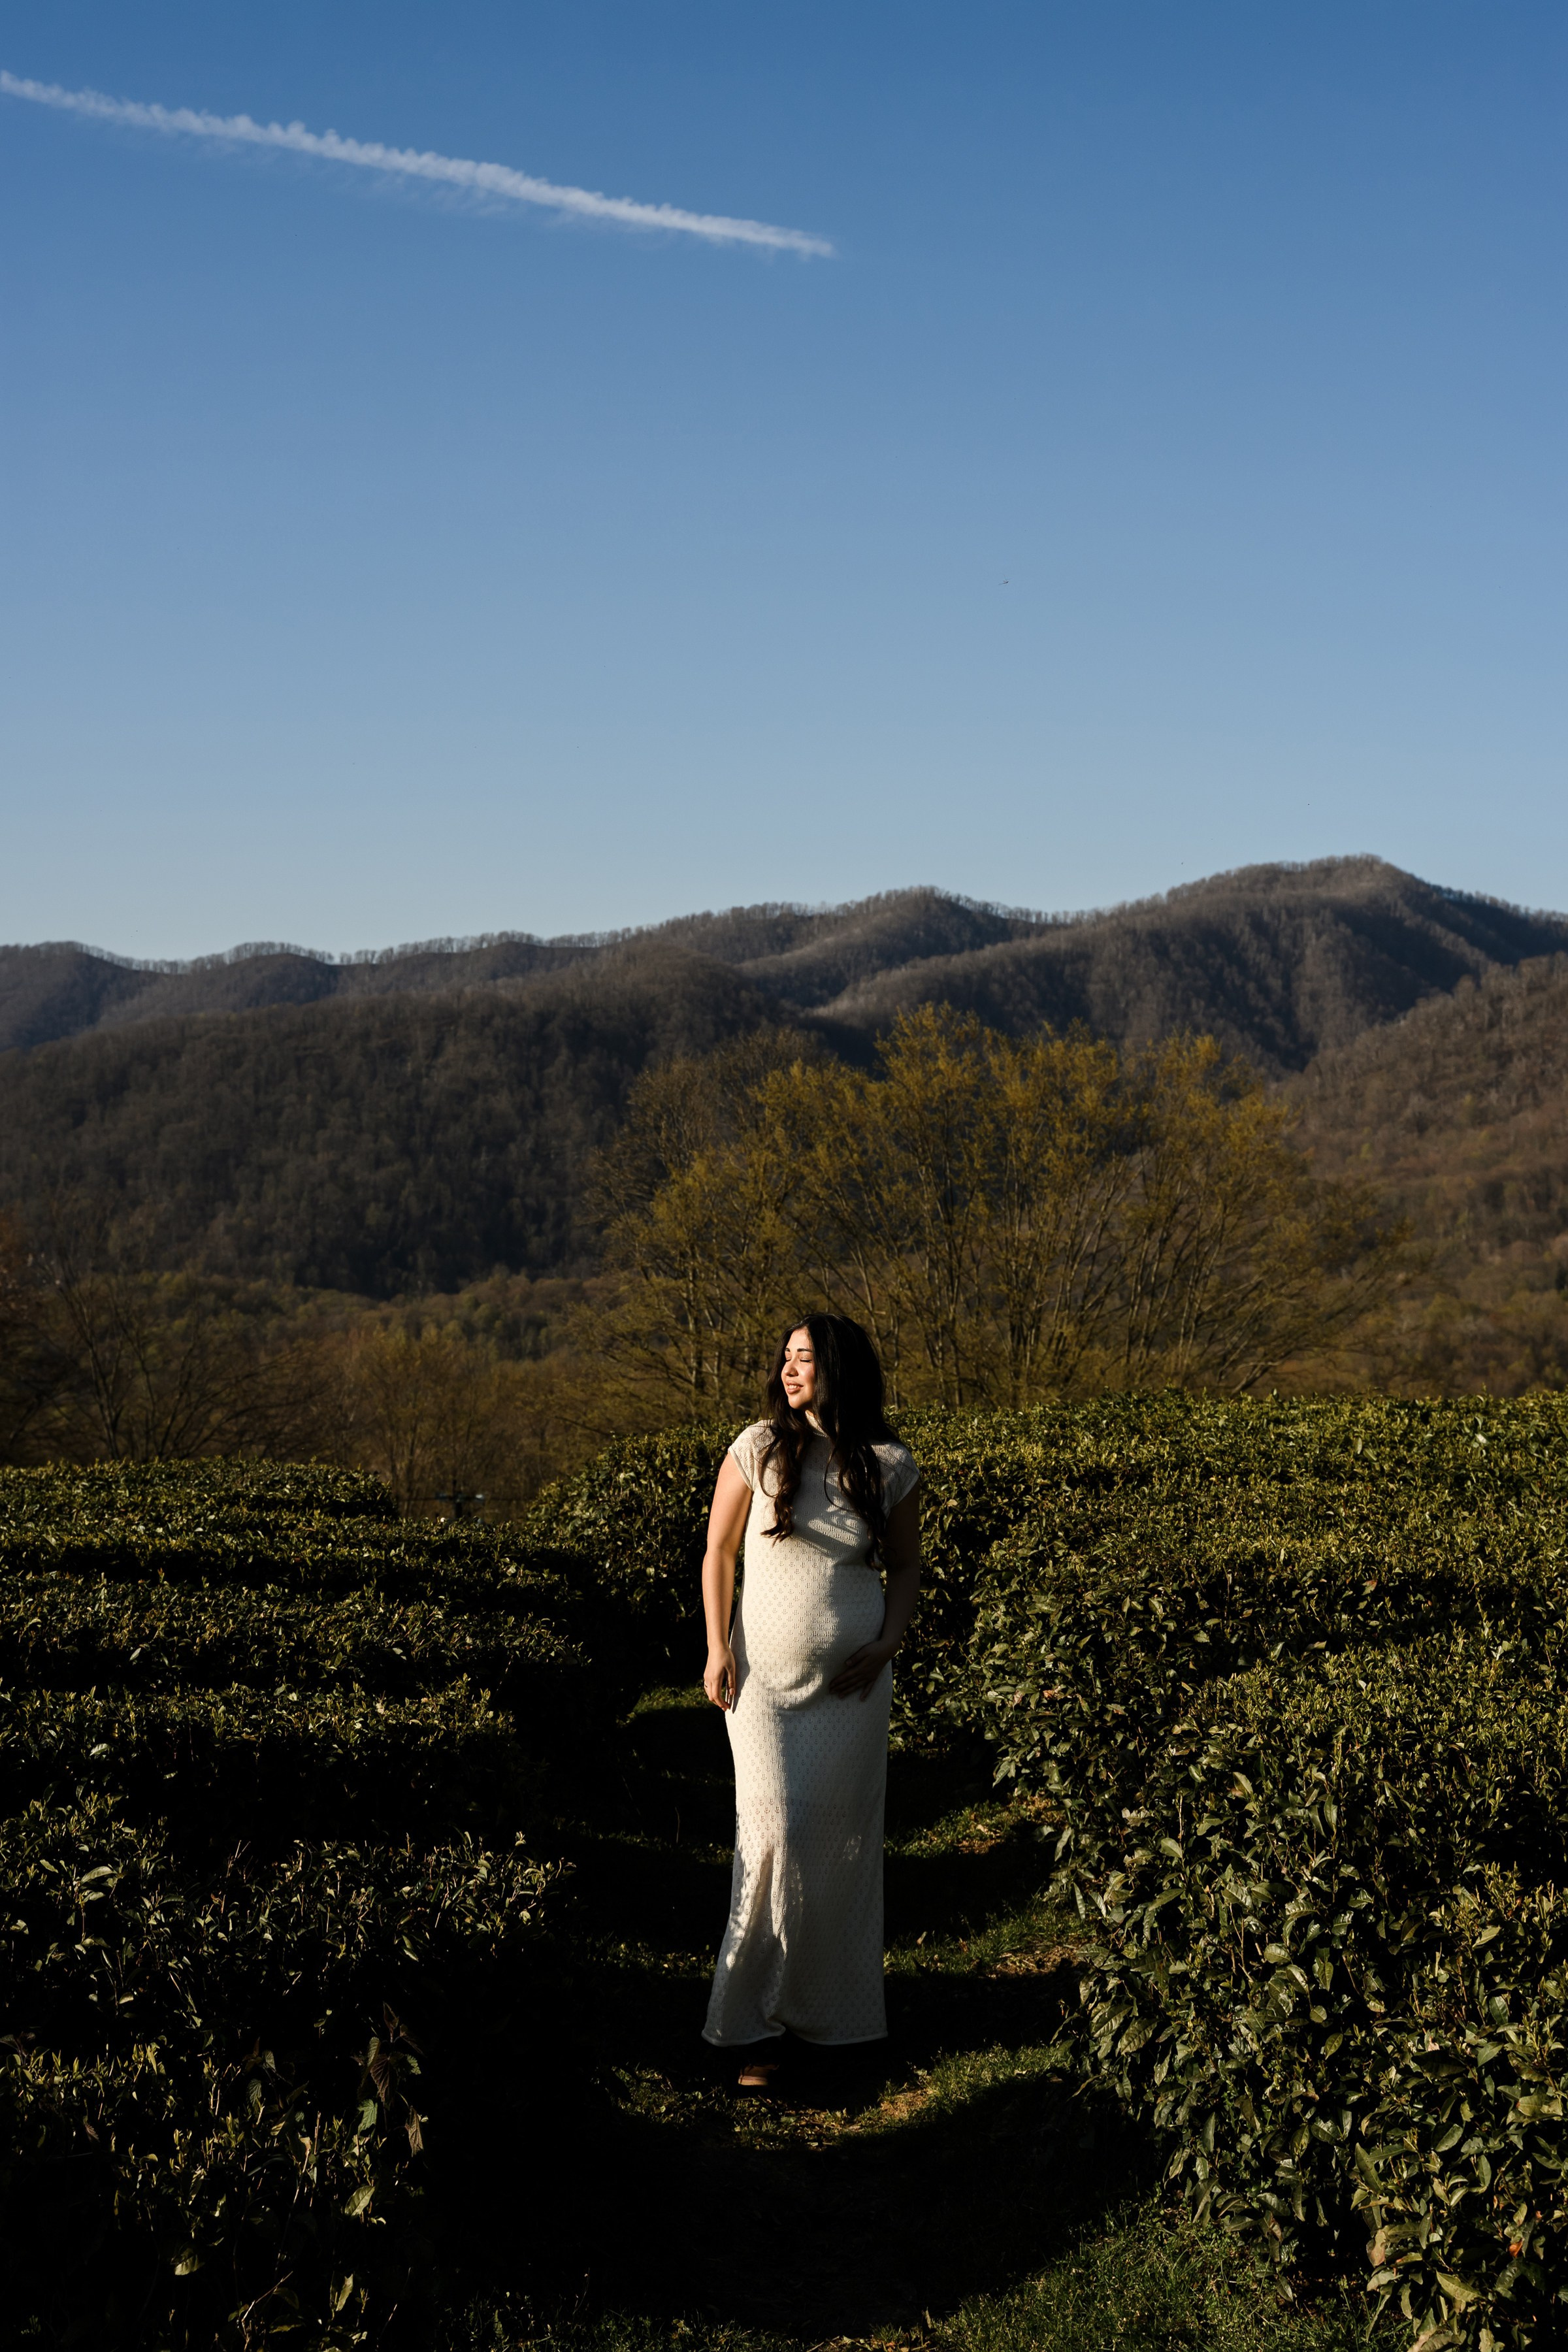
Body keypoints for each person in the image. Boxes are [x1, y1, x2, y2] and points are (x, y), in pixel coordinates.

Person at [700, 1313, 921, 2089]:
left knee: (837, 1849)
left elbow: (904, 1568)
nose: (791, 1370)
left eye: (806, 1359)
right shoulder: (757, 1447)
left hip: (850, 1693)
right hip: (760, 1686)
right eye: (786, 1357)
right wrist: (718, 1645)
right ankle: (753, 2025)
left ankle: (831, 2019)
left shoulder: (890, 1465)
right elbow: (718, 1550)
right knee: (774, 1836)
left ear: (839, 1369)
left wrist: (890, 1641)